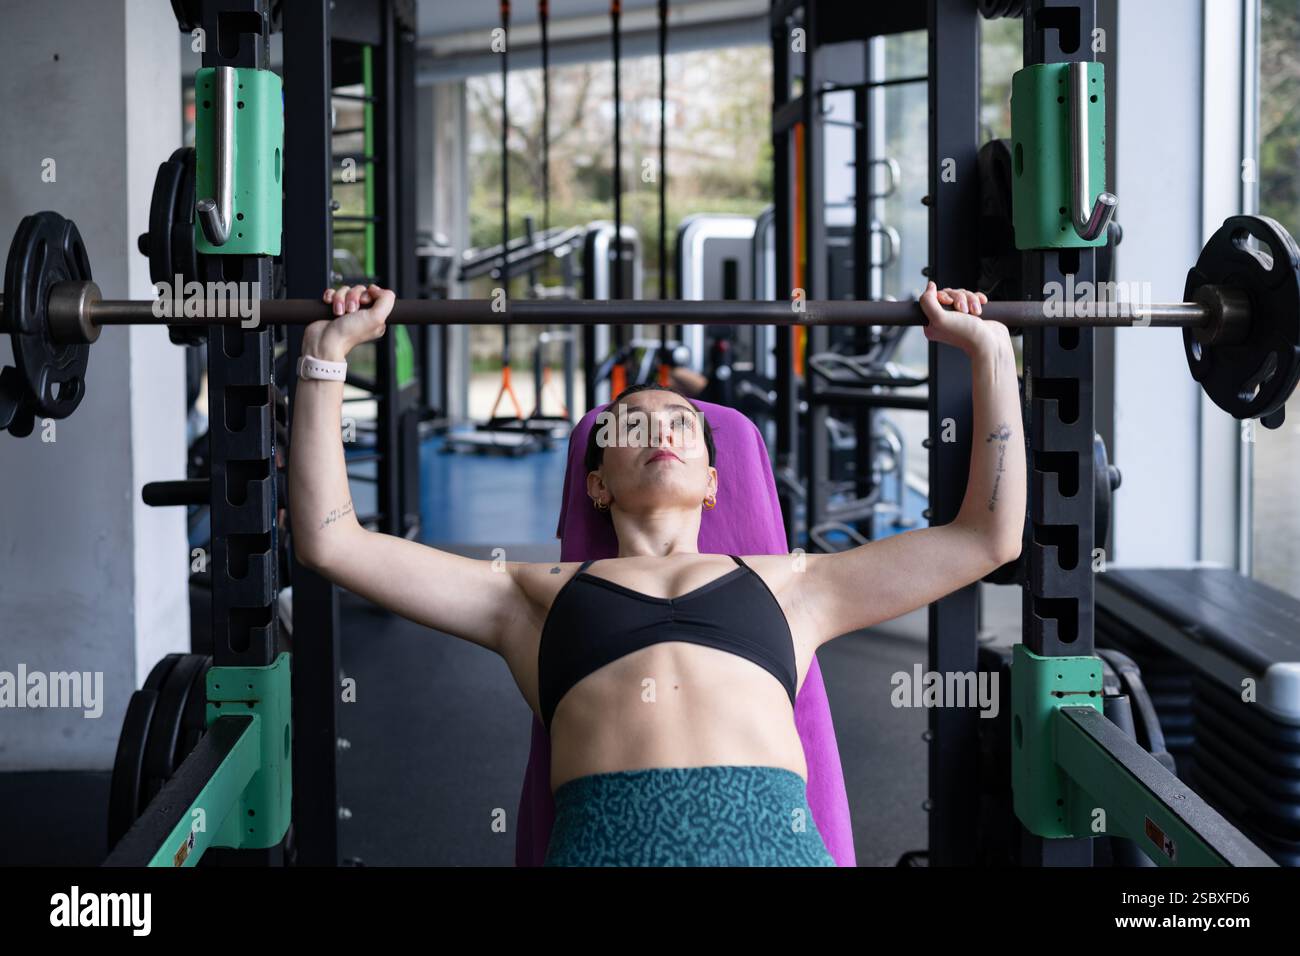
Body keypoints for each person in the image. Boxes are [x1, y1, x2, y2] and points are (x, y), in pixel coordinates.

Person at [288, 282, 1024, 866]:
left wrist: (988, 352)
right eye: (630, 423)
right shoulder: (524, 598)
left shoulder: (799, 586)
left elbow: (986, 538)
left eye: (681, 423)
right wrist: (326, 359)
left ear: (712, 482)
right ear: (597, 483)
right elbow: (333, 544)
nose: (661, 430)